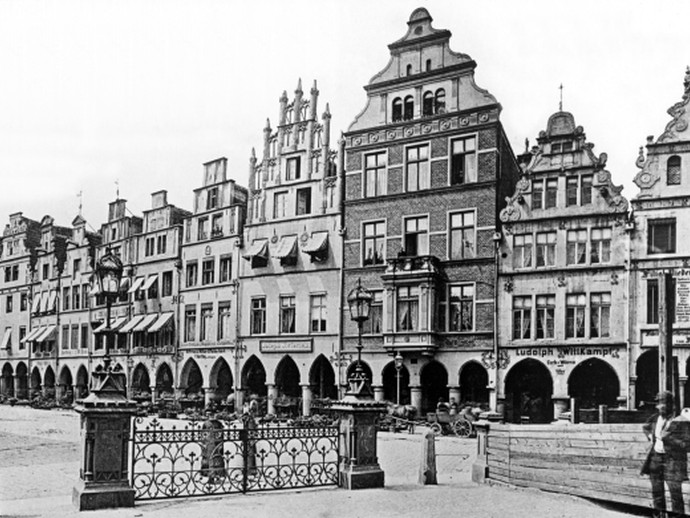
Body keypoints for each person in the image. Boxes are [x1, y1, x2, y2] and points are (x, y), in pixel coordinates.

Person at [641, 391, 690, 518]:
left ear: (670, 404)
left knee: (675, 494)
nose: (659, 407)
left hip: (672, 461)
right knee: (657, 492)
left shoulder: (681, 421)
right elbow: (645, 427)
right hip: (655, 458)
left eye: (662, 403)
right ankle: (658, 516)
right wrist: (650, 435)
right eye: (657, 403)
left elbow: (687, 444)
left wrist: (669, 439)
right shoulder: (654, 418)